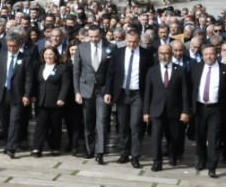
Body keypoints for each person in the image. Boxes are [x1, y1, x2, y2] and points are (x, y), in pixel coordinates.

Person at [105, 29, 154, 168]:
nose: (132, 44)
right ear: (125, 41)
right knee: (123, 125)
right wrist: (108, 91)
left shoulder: (146, 55)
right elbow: (111, 73)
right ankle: (124, 153)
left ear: (139, 41)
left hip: (138, 93)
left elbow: (150, 75)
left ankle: (135, 155)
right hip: (121, 93)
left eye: (134, 42)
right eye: (129, 42)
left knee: (135, 125)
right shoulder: (118, 53)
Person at [142, 44, 190, 171]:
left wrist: (185, 111)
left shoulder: (180, 70)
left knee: (174, 136)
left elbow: (185, 92)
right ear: (158, 54)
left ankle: (173, 155)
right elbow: (148, 93)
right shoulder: (152, 71)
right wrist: (146, 111)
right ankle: (157, 161)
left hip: (174, 110)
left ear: (172, 54)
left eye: (167, 53)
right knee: (156, 138)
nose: (164, 56)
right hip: (156, 110)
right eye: (161, 53)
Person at [73, 25, 115, 163]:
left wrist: (109, 90)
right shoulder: (82, 47)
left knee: (102, 121)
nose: (94, 39)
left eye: (96, 36)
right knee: (88, 121)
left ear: (101, 34)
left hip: (102, 89)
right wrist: (77, 92)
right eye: (91, 37)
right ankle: (89, 148)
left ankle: (100, 152)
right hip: (86, 88)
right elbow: (76, 71)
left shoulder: (110, 47)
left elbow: (112, 71)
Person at [0, 32, 33, 159]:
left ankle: (12, 147)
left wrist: (27, 94)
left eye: (14, 46)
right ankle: (7, 143)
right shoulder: (0, 57)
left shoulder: (26, 58)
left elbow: (28, 79)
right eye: (9, 46)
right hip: (3, 93)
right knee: (4, 121)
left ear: (19, 45)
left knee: (14, 121)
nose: (12, 48)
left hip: (18, 94)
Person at [191, 44, 226, 177]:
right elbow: (191, 88)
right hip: (200, 108)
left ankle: (212, 166)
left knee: (214, 138)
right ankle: (202, 160)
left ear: (217, 54)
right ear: (202, 55)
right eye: (206, 54)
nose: (209, 56)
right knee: (200, 137)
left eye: (211, 53)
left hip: (216, 109)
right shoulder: (196, 67)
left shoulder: (223, 69)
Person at [31, 46, 71, 156]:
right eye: (46, 54)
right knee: (40, 125)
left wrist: (61, 98)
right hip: (41, 101)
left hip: (55, 101)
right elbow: (34, 83)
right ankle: (37, 148)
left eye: (51, 54)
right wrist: (33, 95)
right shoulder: (39, 67)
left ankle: (55, 147)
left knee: (55, 125)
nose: (48, 56)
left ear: (56, 56)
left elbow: (65, 84)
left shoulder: (62, 68)